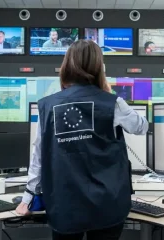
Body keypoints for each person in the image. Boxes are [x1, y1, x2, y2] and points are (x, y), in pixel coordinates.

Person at [16, 40, 148, 240]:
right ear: (98, 67)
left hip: (64, 205)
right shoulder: (112, 103)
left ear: (67, 65)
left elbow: (38, 156)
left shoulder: (47, 106)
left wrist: (27, 197)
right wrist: (108, 93)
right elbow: (141, 127)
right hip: (107, 204)